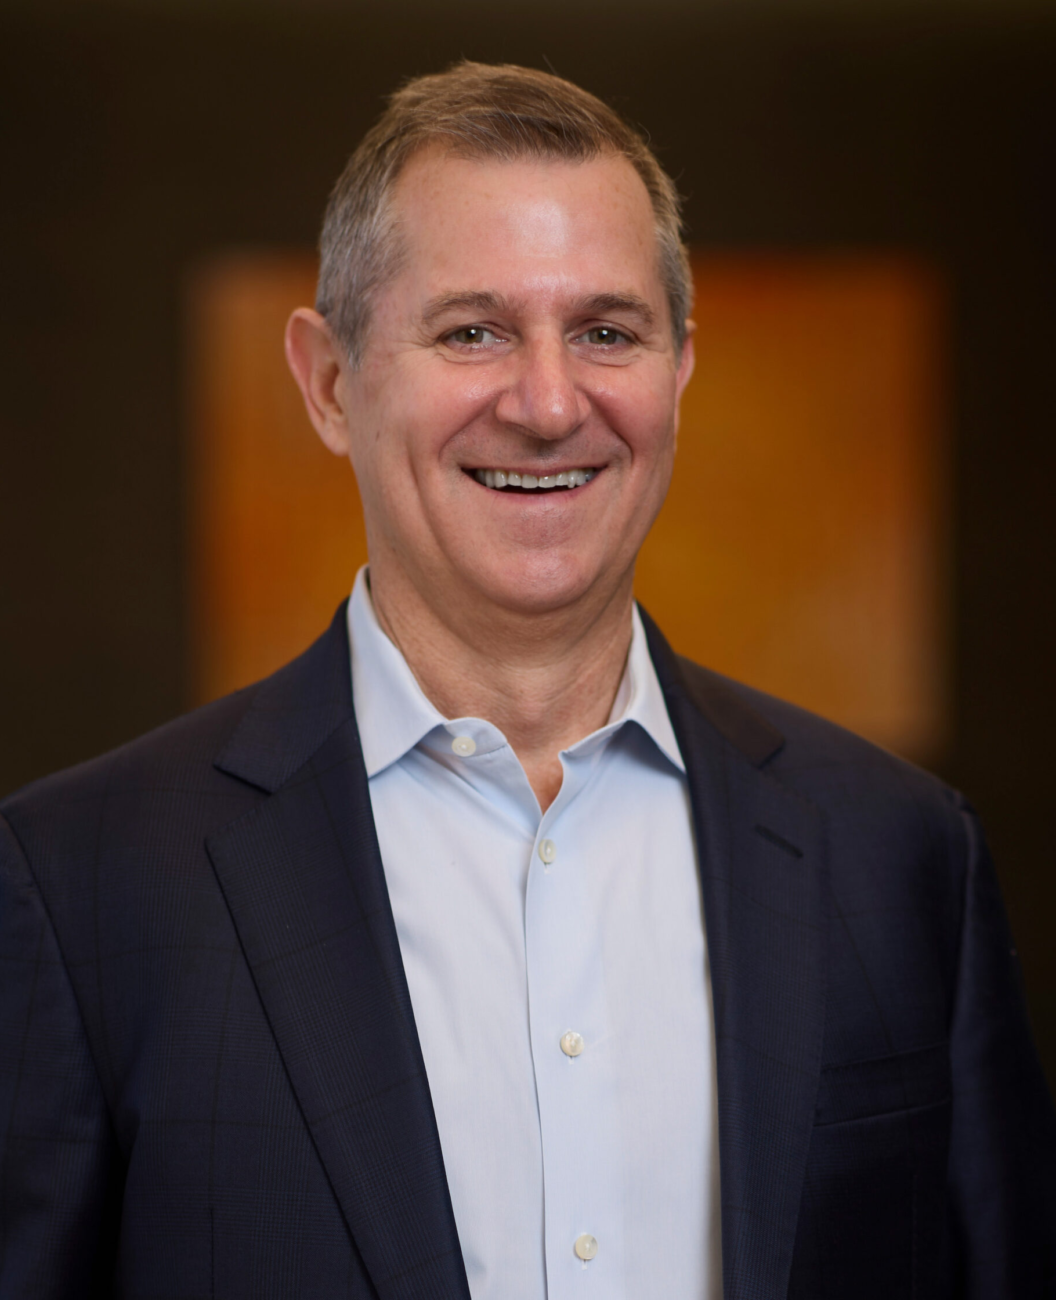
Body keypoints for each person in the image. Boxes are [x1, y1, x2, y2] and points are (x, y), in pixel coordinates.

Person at [1, 61, 1053, 1300]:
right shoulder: (80, 884)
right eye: (473, 330)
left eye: (606, 332)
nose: (550, 404)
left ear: (680, 372)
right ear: (330, 381)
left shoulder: (900, 853)